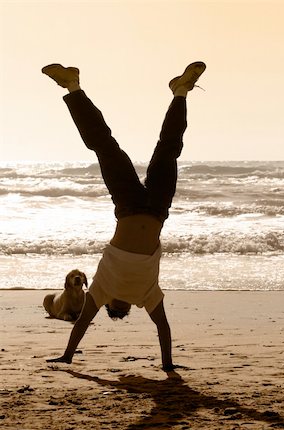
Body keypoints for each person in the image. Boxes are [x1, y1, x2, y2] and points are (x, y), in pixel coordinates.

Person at [42, 61, 206, 372]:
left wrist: (67, 355)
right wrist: (168, 364)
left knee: (104, 146)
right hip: (157, 207)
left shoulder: (102, 290)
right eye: (122, 307)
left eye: (115, 307)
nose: (120, 304)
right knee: (168, 149)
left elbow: (82, 325)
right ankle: (180, 91)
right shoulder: (147, 296)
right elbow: (163, 329)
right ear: (128, 307)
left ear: (114, 306)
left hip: (129, 205)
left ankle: (72, 87)